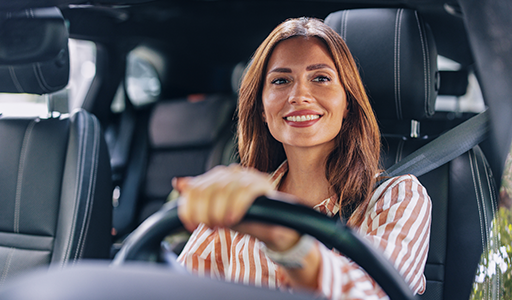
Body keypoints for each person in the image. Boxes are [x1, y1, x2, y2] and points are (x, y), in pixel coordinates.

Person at [173, 17, 431, 299]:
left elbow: (373, 293)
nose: (299, 96)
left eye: (320, 78)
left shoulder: (398, 198)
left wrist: (287, 242)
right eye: (281, 81)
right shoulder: (238, 201)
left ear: (347, 102)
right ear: (261, 107)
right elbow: (179, 287)